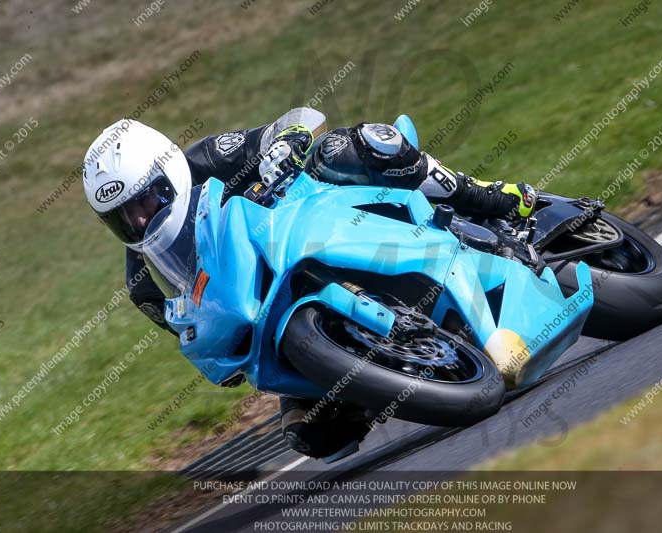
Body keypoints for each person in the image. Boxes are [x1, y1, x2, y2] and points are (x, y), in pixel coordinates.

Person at [82, 108, 537, 459]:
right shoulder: (142, 277)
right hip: (274, 305)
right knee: (314, 436)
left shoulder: (208, 157)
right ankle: (387, 375)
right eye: (121, 217)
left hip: (320, 219)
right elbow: (179, 322)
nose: (139, 219)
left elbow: (297, 121)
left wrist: (285, 146)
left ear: (167, 172)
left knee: (354, 146)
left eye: (143, 200)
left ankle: (490, 198)